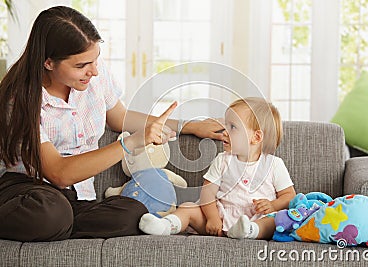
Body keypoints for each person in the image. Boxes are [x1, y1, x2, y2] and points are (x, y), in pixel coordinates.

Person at [0, 6, 223, 242]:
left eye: (96, 60)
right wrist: (130, 143)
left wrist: (187, 126)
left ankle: (58, 226)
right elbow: (59, 173)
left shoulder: (93, 77)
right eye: (81, 65)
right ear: (48, 63)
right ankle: (55, 223)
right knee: (51, 212)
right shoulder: (19, 101)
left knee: (133, 214)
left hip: (74, 199)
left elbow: (120, 118)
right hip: (27, 193)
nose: (94, 71)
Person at [139, 97, 296, 240]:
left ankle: (249, 231)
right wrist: (213, 218)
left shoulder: (274, 165)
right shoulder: (222, 160)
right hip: (219, 221)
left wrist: (273, 205)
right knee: (188, 207)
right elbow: (207, 193)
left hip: (255, 219)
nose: (225, 132)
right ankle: (165, 225)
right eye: (225, 125)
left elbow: (289, 196)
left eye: (233, 127)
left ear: (256, 137)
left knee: (274, 221)